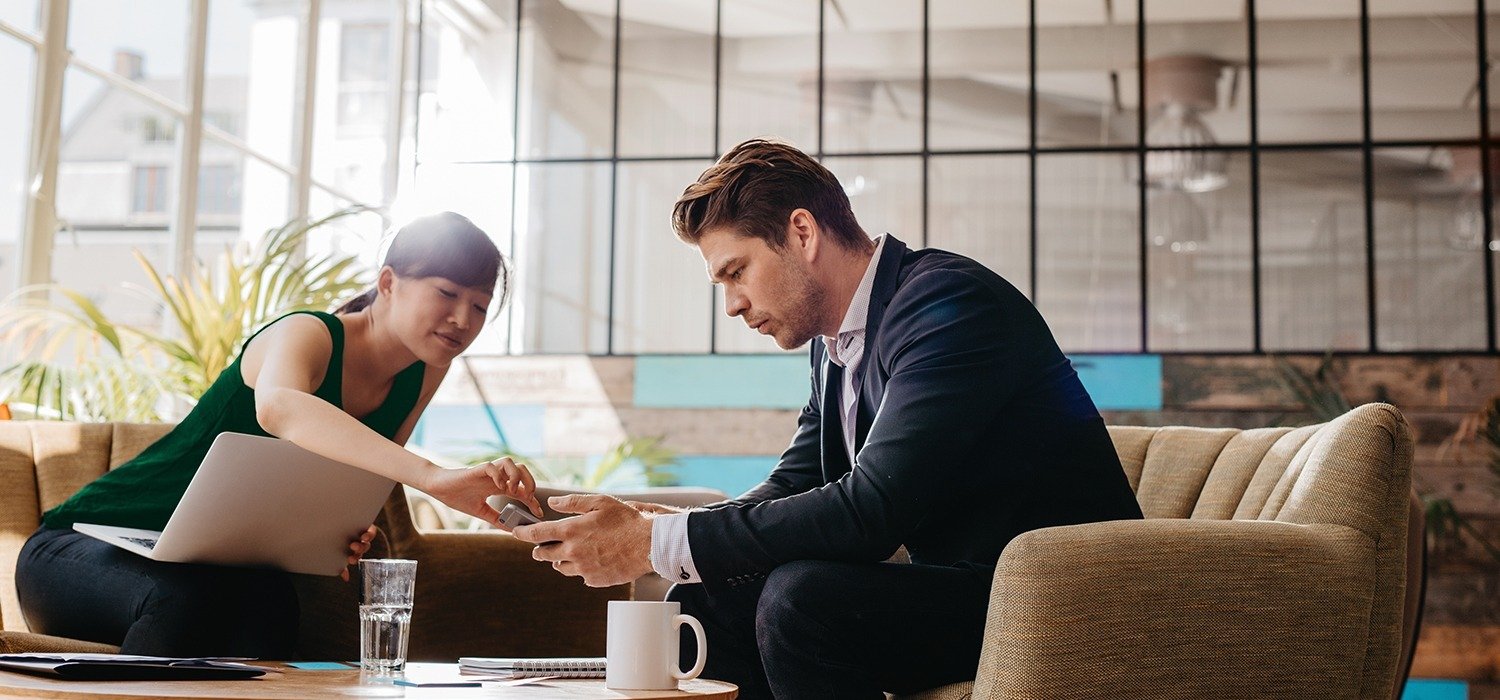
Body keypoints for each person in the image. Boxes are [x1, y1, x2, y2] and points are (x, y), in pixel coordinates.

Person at [510, 139, 1144, 698]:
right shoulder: (836, 344)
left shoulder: (947, 304)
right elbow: (795, 483)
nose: (732, 305)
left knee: (803, 604)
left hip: (1061, 596)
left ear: (802, 233)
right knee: (709, 598)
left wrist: (654, 544)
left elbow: (872, 511)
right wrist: (664, 528)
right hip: (974, 590)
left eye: (738, 272)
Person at [16, 211, 543, 658]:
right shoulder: (308, 333)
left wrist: (343, 534)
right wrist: (433, 477)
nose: (461, 319)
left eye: (479, 304)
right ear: (387, 283)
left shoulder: (426, 368)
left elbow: (356, 477)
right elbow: (280, 409)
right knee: (183, 601)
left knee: (273, 608)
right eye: (447, 293)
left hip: (210, 565)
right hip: (80, 547)